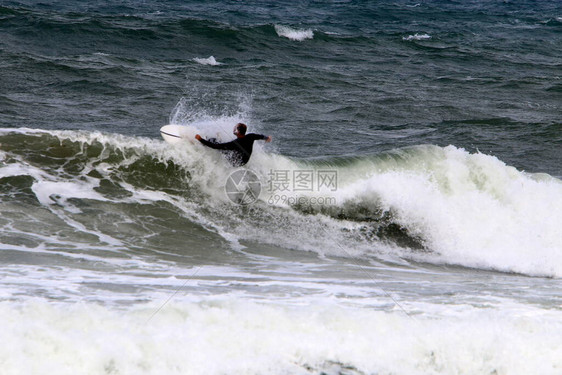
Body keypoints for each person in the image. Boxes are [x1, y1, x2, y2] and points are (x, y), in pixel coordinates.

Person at [195, 123, 272, 167]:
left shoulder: (235, 143)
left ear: (238, 132)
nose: (234, 128)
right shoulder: (250, 136)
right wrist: (267, 138)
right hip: (245, 160)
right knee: (224, 145)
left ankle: (201, 143)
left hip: (236, 162)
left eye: (235, 128)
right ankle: (218, 140)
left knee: (217, 145)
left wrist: (200, 139)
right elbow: (260, 136)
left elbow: (215, 147)